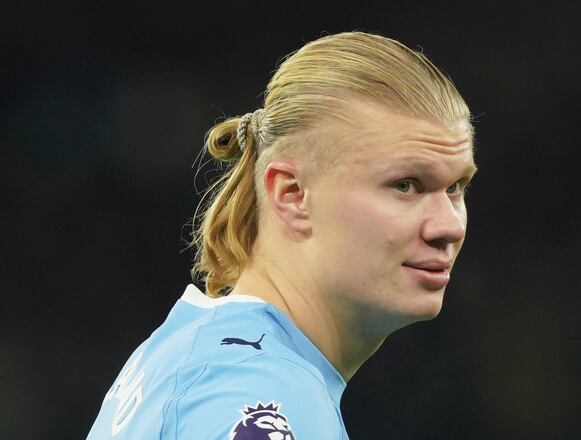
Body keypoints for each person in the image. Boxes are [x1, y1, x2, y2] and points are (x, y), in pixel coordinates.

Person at [87, 31, 477, 439]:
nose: (448, 226)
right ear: (291, 195)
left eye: (456, 187)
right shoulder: (256, 394)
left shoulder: (188, 356)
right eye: (406, 185)